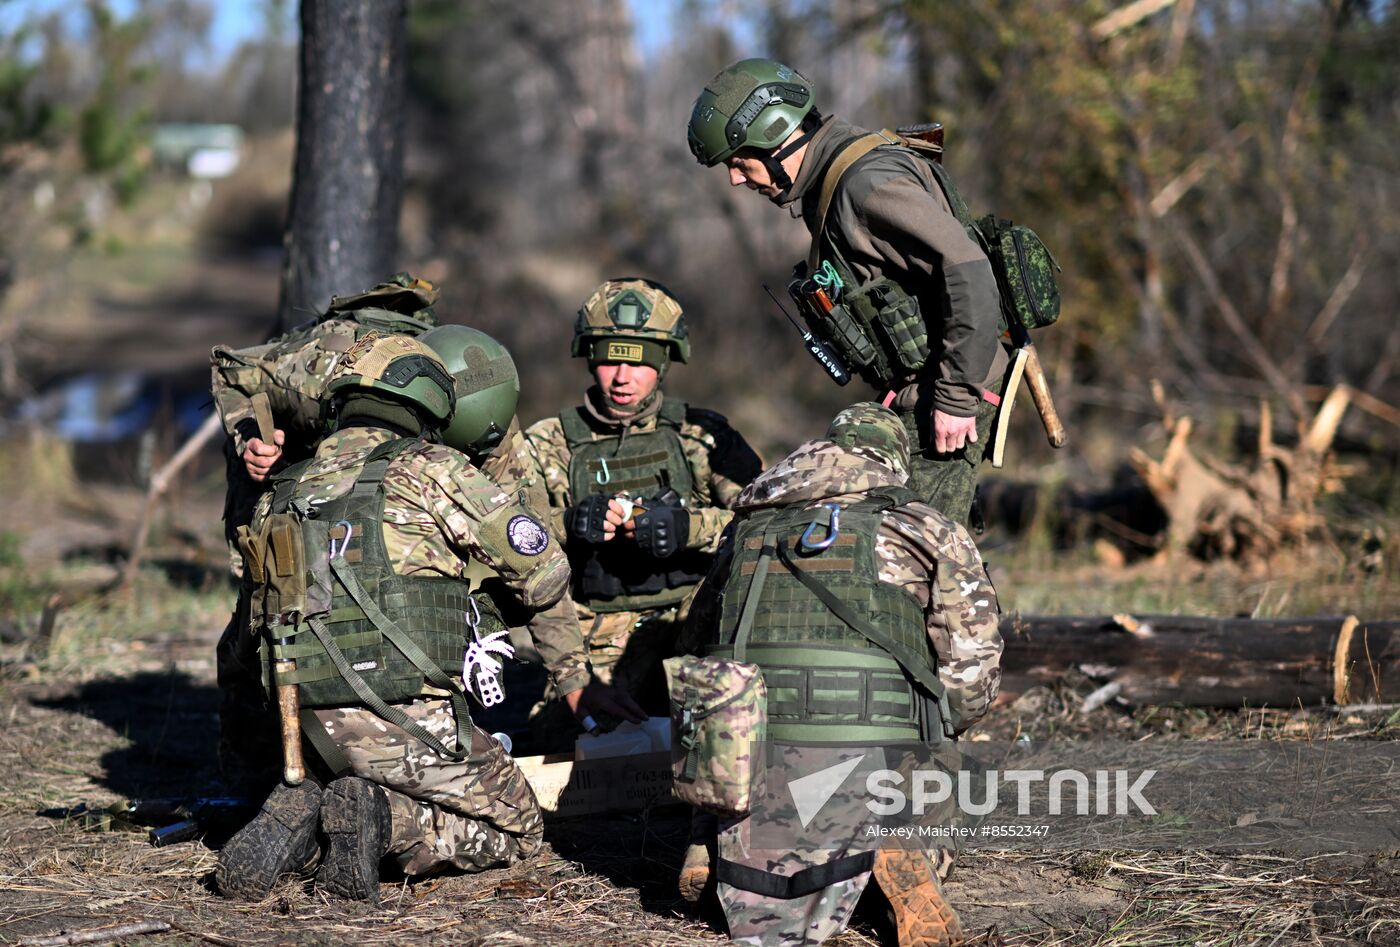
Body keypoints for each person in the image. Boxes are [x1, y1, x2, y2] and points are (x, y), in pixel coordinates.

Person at [217, 333, 566, 903]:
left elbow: (243, 637)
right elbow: (545, 572)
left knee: (341, 791)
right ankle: (386, 819)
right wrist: (480, 610)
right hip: (404, 721)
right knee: (516, 830)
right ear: (428, 405)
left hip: (301, 731)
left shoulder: (281, 489)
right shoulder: (435, 469)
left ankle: (307, 829)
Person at [677, 402, 1004, 946]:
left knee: (725, 737)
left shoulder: (745, 528)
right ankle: (899, 843)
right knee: (958, 769)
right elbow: (974, 670)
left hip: (749, 759)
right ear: (892, 463)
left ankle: (706, 842)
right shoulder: (921, 526)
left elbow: (697, 647)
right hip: (869, 750)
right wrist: (941, 723)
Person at [687, 59, 1009, 527]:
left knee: (914, 555)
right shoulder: (836, 180)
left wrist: (957, 397)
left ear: (779, 137)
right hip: (920, 392)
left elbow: (966, 267)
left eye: (740, 162)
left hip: (949, 392)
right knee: (914, 553)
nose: (736, 178)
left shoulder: (864, 183)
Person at [522, 278, 762, 731]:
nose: (622, 377)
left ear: (666, 361)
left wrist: (686, 526)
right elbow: (513, 538)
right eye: (609, 358)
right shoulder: (547, 443)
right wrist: (569, 522)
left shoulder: (703, 436)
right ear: (588, 355)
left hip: (695, 624)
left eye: (639, 362)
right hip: (594, 636)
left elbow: (762, 523)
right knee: (559, 737)